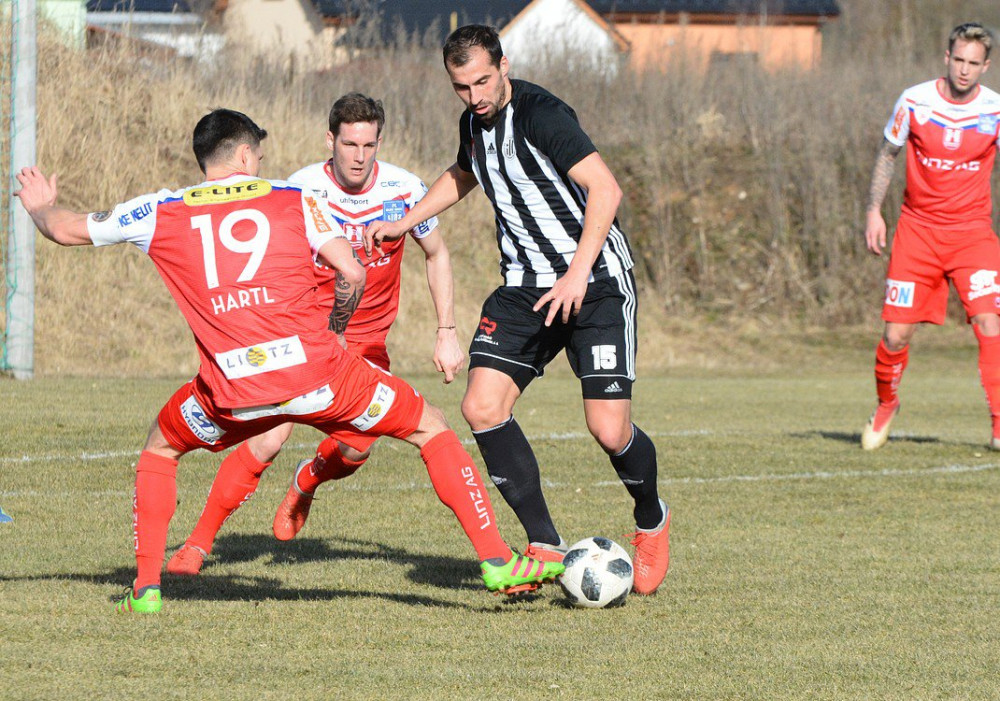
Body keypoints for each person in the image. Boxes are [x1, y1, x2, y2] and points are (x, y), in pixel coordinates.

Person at [14, 108, 563, 613]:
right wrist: (337, 334)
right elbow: (352, 273)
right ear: (246, 155)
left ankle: (146, 590)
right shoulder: (293, 197)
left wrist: (39, 205)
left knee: (160, 448)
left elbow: (64, 229)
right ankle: (496, 560)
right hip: (321, 378)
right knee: (430, 427)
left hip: (231, 392)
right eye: (258, 154)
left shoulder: (159, 210)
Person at [367, 25, 670, 596]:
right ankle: (544, 544)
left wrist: (577, 272)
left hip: (596, 282)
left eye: (483, 81)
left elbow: (605, 190)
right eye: (462, 87)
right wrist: (406, 221)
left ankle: (651, 520)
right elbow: (464, 174)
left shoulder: (542, 115)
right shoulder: (473, 123)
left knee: (609, 429)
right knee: (481, 406)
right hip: (525, 288)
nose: (475, 96)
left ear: (504, 65)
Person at [165, 93, 465, 576]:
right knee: (267, 439)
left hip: (366, 342)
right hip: (303, 338)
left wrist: (446, 331)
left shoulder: (406, 189)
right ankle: (197, 546)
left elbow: (437, 254)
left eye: (368, 145)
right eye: (349, 144)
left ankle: (307, 481)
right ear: (331, 140)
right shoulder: (301, 188)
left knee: (357, 447)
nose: (359, 156)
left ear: (379, 142)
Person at [862, 22, 1000, 450]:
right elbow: (888, 153)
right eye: (958, 59)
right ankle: (887, 404)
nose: (964, 69)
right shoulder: (914, 100)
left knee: (990, 323)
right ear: (947, 57)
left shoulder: (995, 110)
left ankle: (999, 424)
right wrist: (873, 211)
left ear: (985, 66)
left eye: (973, 63)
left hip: (972, 234)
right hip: (917, 233)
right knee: (895, 336)